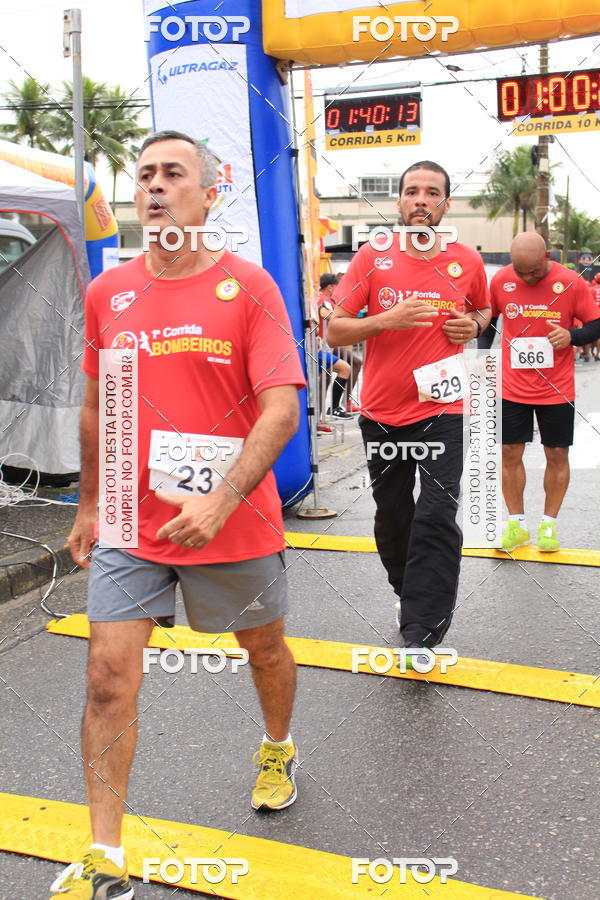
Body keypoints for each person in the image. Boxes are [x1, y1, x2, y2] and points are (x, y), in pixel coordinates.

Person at [54, 131, 306, 899]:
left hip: (233, 519)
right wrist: (90, 503)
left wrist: (222, 496)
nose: (156, 187)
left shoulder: (251, 286)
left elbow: (283, 408)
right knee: (106, 680)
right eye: (146, 175)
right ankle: (105, 856)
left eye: (174, 174)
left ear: (209, 193)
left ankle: (276, 746)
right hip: (134, 524)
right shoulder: (110, 292)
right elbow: (98, 406)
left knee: (263, 651)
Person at [327, 160, 491, 654]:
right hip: (381, 411)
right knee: (393, 515)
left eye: (432, 193)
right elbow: (335, 329)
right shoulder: (372, 259)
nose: (422, 200)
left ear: (445, 203)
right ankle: (407, 592)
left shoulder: (467, 260)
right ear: (399, 202)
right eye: (412, 192)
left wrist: (475, 326)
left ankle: (423, 627)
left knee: (437, 512)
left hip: (444, 408)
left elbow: (482, 309)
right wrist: (387, 320)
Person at [491, 233, 600, 553]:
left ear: (547, 256)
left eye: (533, 272)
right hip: (512, 386)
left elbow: (596, 325)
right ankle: (517, 526)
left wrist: (571, 336)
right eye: (520, 271)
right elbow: (487, 318)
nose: (526, 278)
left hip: (556, 389)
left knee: (556, 454)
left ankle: (548, 527)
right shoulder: (501, 280)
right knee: (510, 453)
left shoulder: (571, 282)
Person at [319, 272, 363, 412]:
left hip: (331, 344)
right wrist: (339, 321)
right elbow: (324, 314)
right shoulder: (322, 299)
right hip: (324, 345)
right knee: (328, 374)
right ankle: (328, 412)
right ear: (331, 287)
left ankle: (345, 402)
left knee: (355, 362)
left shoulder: (329, 299)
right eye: (338, 286)